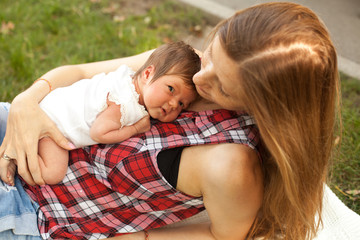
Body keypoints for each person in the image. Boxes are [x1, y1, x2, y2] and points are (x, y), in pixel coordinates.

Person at [0, 2, 341, 240]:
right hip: (36, 125)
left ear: (261, 107)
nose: (200, 79)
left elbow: (223, 235)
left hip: (37, 210)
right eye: (211, 53)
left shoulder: (230, 162)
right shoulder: (184, 63)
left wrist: (140, 238)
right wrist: (26, 104)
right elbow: (78, 73)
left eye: (221, 85)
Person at [3, 41, 200, 186]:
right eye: (171, 89)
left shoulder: (126, 77)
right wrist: (134, 128)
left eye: (182, 104)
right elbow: (100, 133)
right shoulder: (125, 105)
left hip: (53, 104)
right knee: (53, 172)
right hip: (55, 125)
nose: (174, 104)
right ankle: (17, 157)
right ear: (148, 73)